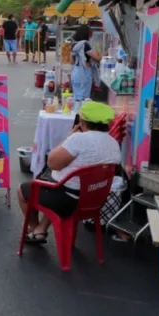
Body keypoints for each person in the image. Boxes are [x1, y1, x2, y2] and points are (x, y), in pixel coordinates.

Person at [18, 101, 121, 244]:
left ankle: (36, 229)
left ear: (82, 121)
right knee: (56, 184)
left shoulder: (78, 139)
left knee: (23, 190)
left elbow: (52, 163)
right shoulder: (113, 143)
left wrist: (69, 137)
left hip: (68, 201)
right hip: (95, 200)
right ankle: (40, 229)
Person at [71, 24, 102, 103]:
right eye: (90, 33)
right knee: (84, 99)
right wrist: (102, 54)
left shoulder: (75, 45)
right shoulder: (85, 45)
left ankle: (75, 113)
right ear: (86, 33)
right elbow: (97, 58)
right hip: (84, 74)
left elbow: (71, 61)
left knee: (76, 98)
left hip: (75, 72)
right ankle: (80, 114)